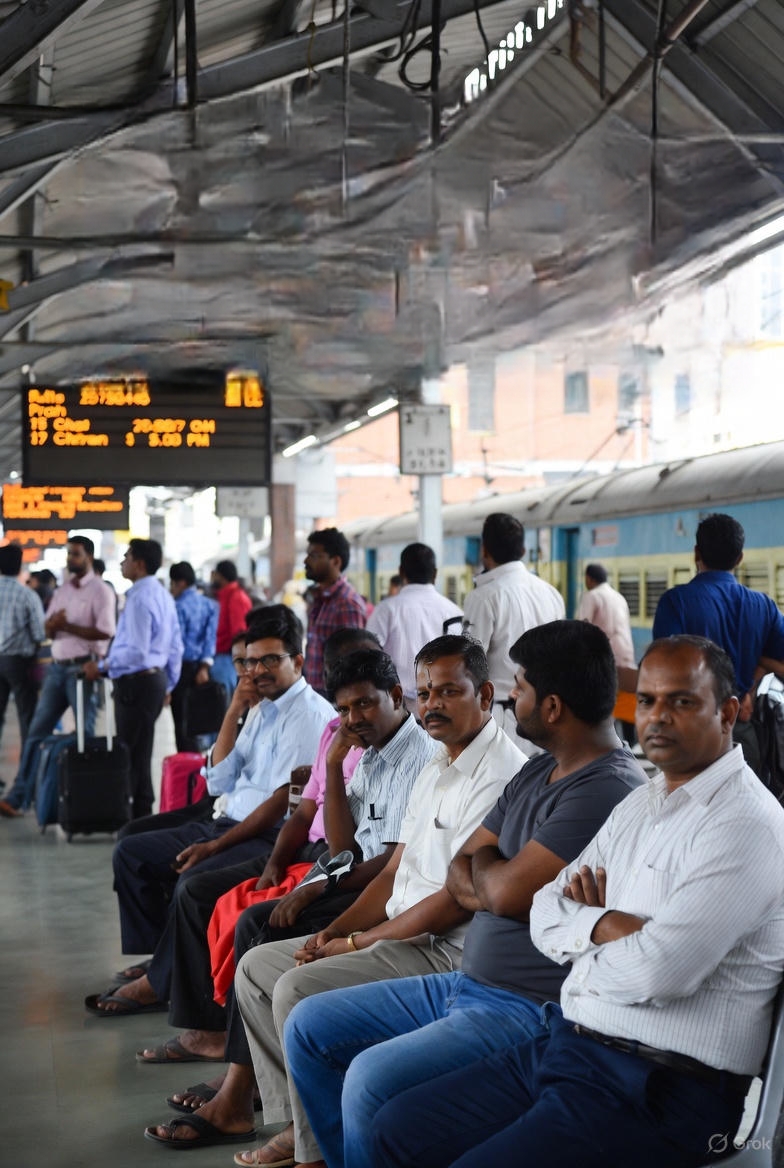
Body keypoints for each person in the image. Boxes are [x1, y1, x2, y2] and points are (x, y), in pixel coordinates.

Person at [364, 635, 784, 1168]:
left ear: (727, 713)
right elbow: (544, 909)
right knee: (394, 1128)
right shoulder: (642, 804)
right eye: (647, 700)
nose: (657, 717)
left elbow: (658, 971)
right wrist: (607, 925)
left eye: (681, 701)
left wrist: (585, 933)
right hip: (574, 1046)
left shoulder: (745, 825)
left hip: (661, 1087)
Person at [284, 621, 645, 1168]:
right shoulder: (539, 772)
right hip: (468, 983)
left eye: (519, 687)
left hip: (525, 1004)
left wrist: (486, 877)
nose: (512, 699)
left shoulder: (605, 788)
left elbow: (497, 892)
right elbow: (465, 870)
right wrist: (489, 878)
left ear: (551, 707)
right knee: (308, 1026)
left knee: (369, 1080)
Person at [228, 634, 525, 1168]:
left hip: (442, 948)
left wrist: (355, 943)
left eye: (448, 692)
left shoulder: (499, 775)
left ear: (484, 695)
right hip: (398, 932)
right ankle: (304, 1122)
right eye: (426, 693)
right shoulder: (439, 764)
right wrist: (331, 931)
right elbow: (391, 871)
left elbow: (454, 902)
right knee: (255, 968)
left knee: (295, 987)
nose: (432, 705)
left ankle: (315, 1152)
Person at [140, 646, 439, 1148]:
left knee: (263, 925)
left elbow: (391, 865)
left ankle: (240, 1091)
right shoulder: (370, 752)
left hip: (387, 894)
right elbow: (343, 848)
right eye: (344, 709)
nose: (353, 719)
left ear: (394, 695)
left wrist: (320, 887)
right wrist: (335, 765)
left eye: (364, 704)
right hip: (354, 875)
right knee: (251, 920)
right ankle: (245, 1078)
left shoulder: (418, 756)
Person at [84, 615, 333, 1016]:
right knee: (131, 851)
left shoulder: (309, 716)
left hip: (266, 834)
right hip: (226, 818)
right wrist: (234, 708)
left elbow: (283, 802)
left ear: (298, 662)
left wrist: (215, 845)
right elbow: (219, 779)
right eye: (251, 662)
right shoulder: (261, 707)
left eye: (270, 660)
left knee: (193, 882)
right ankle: (165, 963)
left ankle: (159, 983)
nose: (257, 671)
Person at [0, 535, 116, 816]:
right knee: (36, 733)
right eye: (69, 553)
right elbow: (47, 628)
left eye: (75, 554)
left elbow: (106, 631)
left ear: (88, 556)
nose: (70, 559)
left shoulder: (101, 592)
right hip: (57, 668)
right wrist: (55, 625)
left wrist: (67, 626)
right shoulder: (63, 590)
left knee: (84, 737)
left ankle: (86, 803)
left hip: (83, 670)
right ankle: (18, 797)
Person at [82, 538, 182, 819]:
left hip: (137, 683)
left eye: (126, 557)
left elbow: (137, 651)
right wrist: (168, 683)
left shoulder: (139, 598)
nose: (122, 562)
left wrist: (103, 666)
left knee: (132, 754)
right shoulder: (162, 595)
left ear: (139, 564)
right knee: (141, 750)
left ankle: (136, 818)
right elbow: (176, 646)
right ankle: (140, 815)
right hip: (153, 680)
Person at [653, 513, 784, 702]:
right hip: (741, 715)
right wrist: (756, 669)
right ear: (739, 558)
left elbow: (662, 668)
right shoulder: (764, 606)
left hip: (693, 714)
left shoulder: (675, 602)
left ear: (697, 553)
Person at [462, 513, 564, 736]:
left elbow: (469, 663)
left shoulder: (483, 597)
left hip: (502, 718)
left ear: (484, 551)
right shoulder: (552, 594)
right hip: (548, 717)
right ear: (523, 551)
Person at [366, 542, 462, 710]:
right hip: (442, 706)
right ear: (435, 573)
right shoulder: (454, 611)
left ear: (401, 572)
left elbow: (369, 657)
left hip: (397, 708)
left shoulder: (386, 610)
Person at [303, 527, 366, 695]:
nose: (306, 561)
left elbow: (352, 662)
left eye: (314, 556)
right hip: (315, 692)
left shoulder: (346, 604)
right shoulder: (319, 599)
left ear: (336, 561)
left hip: (332, 697)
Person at [0, 543, 45, 758]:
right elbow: (40, 633)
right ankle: (28, 767)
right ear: (20, 566)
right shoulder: (27, 595)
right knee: (27, 715)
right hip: (19, 662)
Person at [169, 561, 219, 752]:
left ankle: (186, 762)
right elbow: (210, 637)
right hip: (202, 670)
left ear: (181, 583)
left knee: (181, 723)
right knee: (199, 720)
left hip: (181, 669)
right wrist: (205, 667)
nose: (171, 589)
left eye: (172, 584)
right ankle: (200, 760)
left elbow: (176, 645)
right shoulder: (210, 605)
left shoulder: (177, 606)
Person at [577, 562, 635, 669]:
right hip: (625, 655)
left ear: (588, 579)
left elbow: (582, 628)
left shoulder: (591, 596)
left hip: (603, 657)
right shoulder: (619, 597)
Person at [211, 560, 253, 697]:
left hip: (227, 658)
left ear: (221, 576)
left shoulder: (236, 597)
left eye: (215, 574)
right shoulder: (225, 595)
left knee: (225, 701)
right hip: (222, 656)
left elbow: (239, 633)